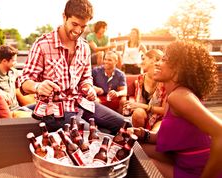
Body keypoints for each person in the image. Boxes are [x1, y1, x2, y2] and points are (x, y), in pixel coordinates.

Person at [18, 0, 130, 135]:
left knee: (125, 125)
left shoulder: (84, 47)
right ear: (64, 17)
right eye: (75, 24)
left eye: (83, 26)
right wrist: (38, 86)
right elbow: (23, 81)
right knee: (93, 136)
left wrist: (88, 87)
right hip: (55, 110)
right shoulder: (42, 44)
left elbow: (86, 77)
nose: (78, 31)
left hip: (81, 103)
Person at [128, 41, 222, 178]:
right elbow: (169, 137)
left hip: (200, 170)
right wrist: (143, 134)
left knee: (136, 161)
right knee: (132, 147)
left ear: (178, 68)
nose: (157, 63)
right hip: (182, 159)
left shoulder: (179, 96)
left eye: (164, 60)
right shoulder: (173, 95)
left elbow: (220, 133)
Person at [123, 49, 166, 131]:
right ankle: (138, 140)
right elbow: (138, 104)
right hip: (144, 115)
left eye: (144, 59)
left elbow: (164, 111)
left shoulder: (164, 81)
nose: (141, 62)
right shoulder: (141, 78)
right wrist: (132, 107)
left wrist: (142, 106)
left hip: (160, 118)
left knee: (155, 132)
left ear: (152, 60)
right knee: (138, 112)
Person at [0, 45, 33, 113]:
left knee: (42, 108)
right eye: (14, 61)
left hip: (20, 108)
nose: (16, 63)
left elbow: (26, 78)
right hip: (12, 113)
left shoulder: (13, 72)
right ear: (4, 61)